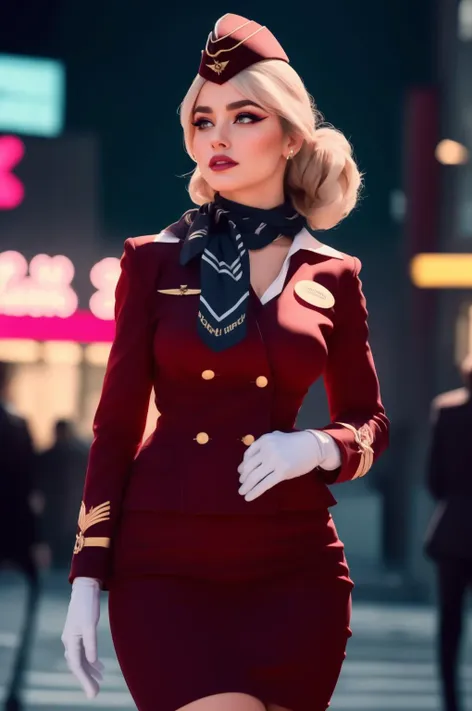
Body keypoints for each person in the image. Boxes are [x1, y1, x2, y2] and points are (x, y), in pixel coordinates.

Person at [61, 14, 389, 711]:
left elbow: (369, 421)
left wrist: (317, 445)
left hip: (297, 567)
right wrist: (87, 577)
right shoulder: (153, 260)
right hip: (167, 562)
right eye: (203, 120)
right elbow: (115, 427)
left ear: (291, 134)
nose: (218, 137)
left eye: (244, 117)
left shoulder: (334, 274)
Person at [424, 354, 472, 711]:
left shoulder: (446, 411)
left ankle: (451, 703)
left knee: (450, 627)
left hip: (453, 530)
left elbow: (435, 480)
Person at [0, 362, 48, 711]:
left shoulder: (17, 425)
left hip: (14, 526)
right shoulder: (16, 426)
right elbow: (29, 489)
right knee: (32, 597)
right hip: (14, 528)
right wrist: (36, 539)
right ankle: (14, 687)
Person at [36, 419, 89, 568]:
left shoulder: (50, 455)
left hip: (61, 504)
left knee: (61, 536)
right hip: (71, 503)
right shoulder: (82, 453)